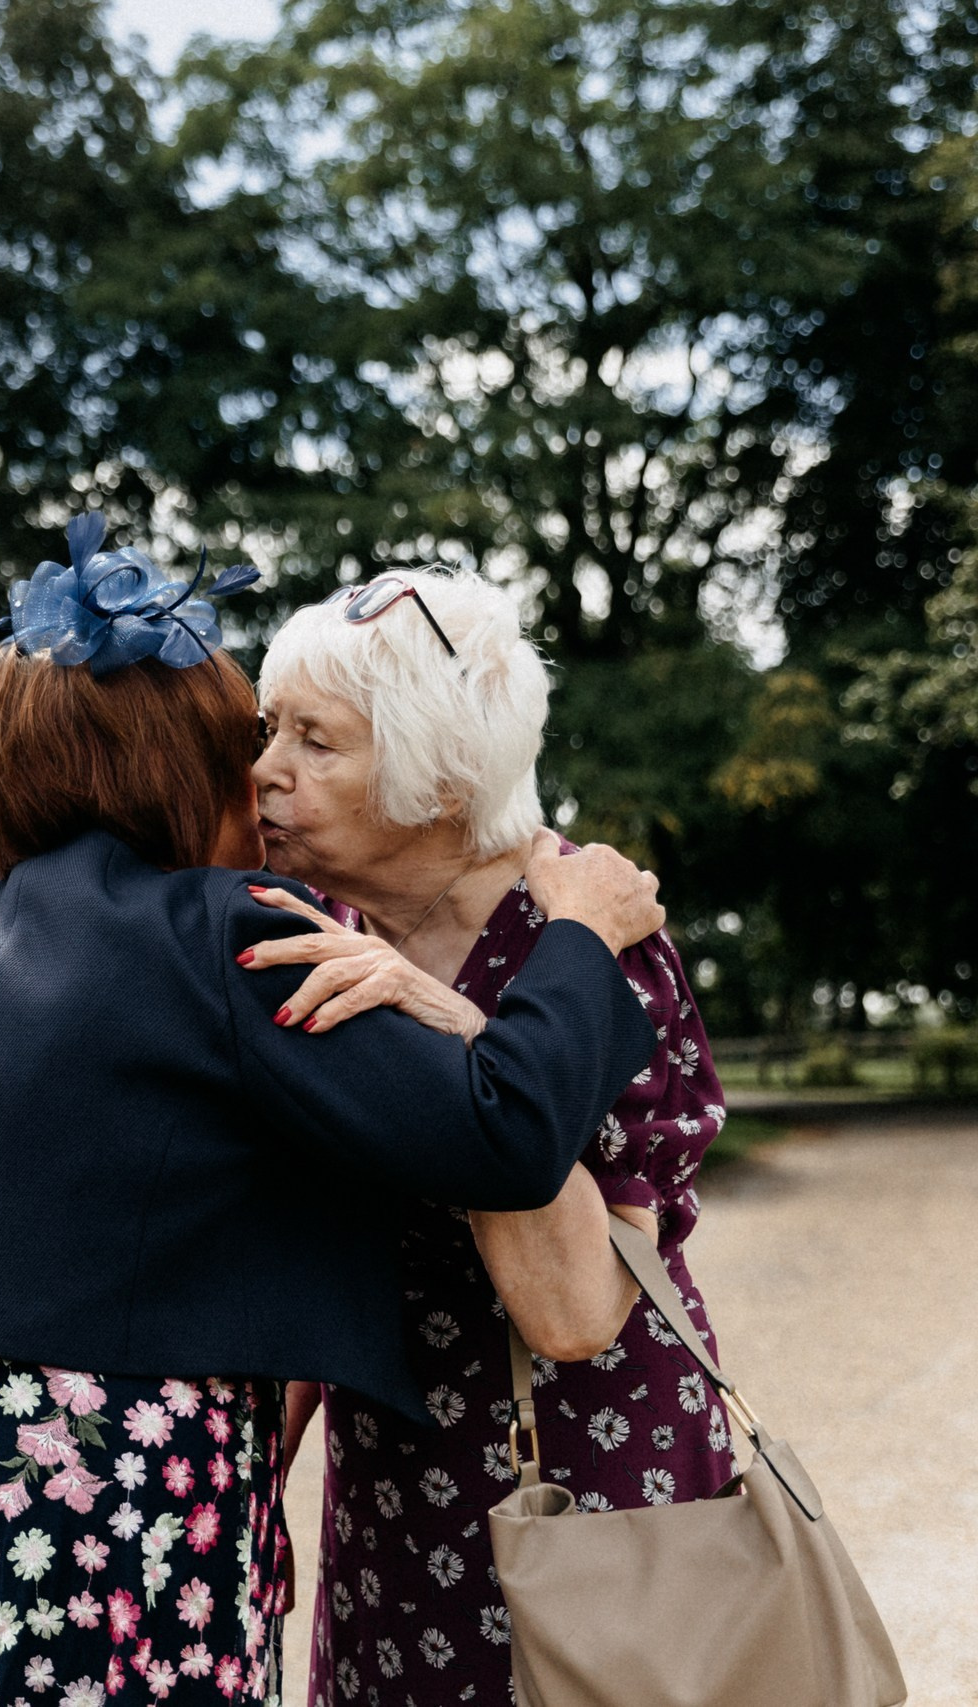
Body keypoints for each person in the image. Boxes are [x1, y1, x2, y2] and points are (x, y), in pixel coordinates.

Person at [0, 516, 669, 1706]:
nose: (261, 775)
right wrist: (585, 938)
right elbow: (500, 1135)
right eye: (240, 741)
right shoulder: (230, 932)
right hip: (94, 1507)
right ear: (174, 764)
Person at [243, 569, 736, 1706]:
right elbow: (319, 1240)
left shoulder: (589, 934)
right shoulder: (331, 933)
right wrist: (251, 1487)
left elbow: (574, 1315)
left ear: (438, 775)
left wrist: (455, 1031)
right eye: (271, 731)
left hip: (589, 1479)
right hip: (396, 1493)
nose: (265, 768)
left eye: (315, 743)